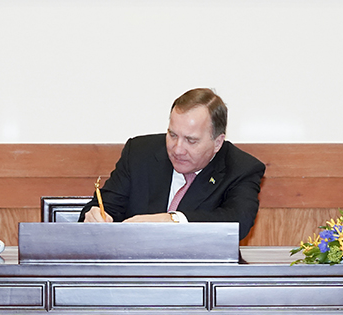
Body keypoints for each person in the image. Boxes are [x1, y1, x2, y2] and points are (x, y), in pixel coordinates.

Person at [81, 88, 266, 239]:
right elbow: (104, 207)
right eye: (172, 135)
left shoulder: (241, 169)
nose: (177, 149)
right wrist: (94, 216)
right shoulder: (139, 153)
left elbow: (237, 222)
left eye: (191, 140)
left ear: (217, 142)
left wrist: (171, 220)